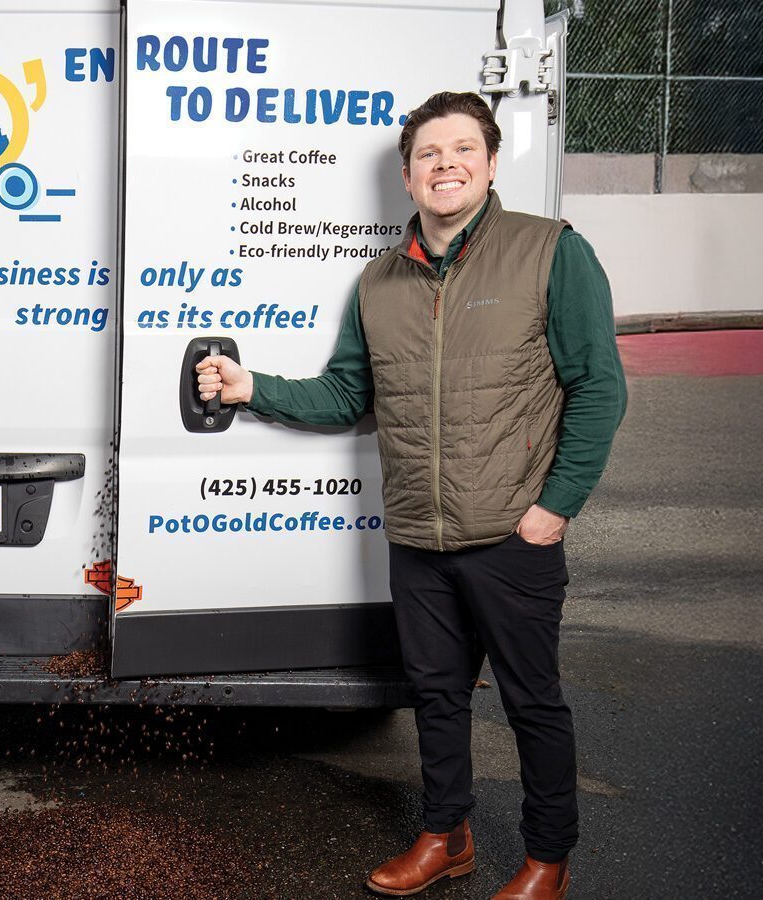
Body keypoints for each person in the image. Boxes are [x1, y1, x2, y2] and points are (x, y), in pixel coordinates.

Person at [197, 92, 626, 900]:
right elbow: (345, 396)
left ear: (493, 164)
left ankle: (547, 859)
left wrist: (555, 507)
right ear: (407, 175)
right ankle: (446, 836)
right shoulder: (381, 282)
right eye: (430, 154)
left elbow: (599, 388)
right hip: (419, 540)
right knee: (434, 697)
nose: (447, 165)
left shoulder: (551, 253)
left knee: (533, 703)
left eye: (464, 149)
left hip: (512, 533)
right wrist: (250, 385)